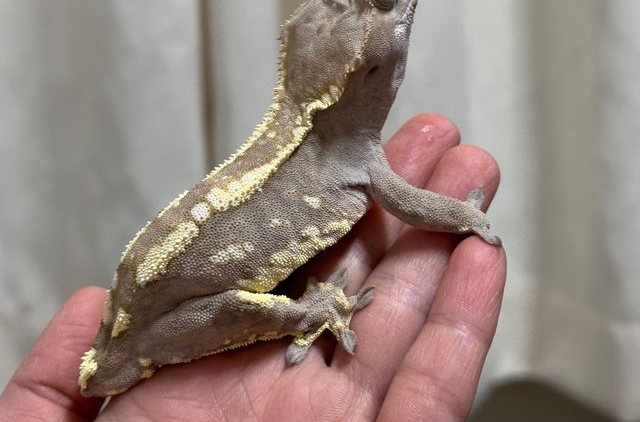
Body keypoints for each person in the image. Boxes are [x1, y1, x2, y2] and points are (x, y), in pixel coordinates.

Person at [0, 114, 506, 421]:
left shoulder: (332, 140)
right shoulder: (345, 148)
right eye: (380, 0)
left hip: (152, 307)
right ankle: (307, 316)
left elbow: (407, 201)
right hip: (156, 323)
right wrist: (464, 215)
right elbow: (408, 203)